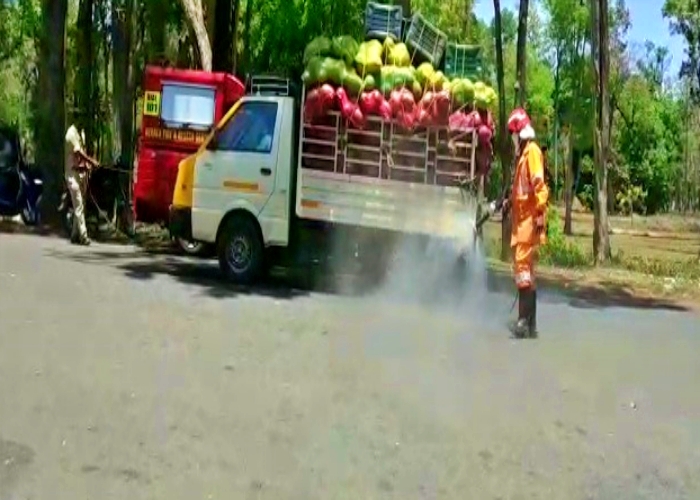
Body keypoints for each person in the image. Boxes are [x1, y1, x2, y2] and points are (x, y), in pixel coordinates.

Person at [504, 108, 549, 339]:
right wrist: (507, 203)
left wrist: (540, 211)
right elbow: (521, 190)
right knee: (528, 273)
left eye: (512, 133)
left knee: (523, 268)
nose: (511, 138)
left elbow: (539, 184)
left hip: (529, 220)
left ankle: (523, 321)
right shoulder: (523, 154)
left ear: (518, 132)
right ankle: (531, 324)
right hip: (523, 219)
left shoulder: (531, 152)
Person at [65, 121, 99, 245]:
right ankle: (84, 236)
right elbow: (78, 152)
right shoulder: (70, 134)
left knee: (79, 206)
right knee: (78, 204)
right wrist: (91, 161)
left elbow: (81, 156)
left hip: (80, 174)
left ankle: (74, 235)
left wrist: (87, 165)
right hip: (72, 175)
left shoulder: (82, 134)